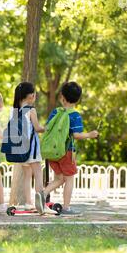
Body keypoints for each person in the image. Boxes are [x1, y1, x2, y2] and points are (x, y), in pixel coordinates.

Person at [39, 81, 99, 216]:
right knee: (69, 179)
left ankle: (43, 194)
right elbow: (76, 135)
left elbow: (47, 128)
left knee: (59, 179)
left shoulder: (56, 112)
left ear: (62, 96)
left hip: (52, 152)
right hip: (66, 152)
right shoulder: (75, 115)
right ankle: (66, 208)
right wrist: (90, 135)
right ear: (78, 99)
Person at [12, 82, 46, 210]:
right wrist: (47, 128)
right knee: (38, 173)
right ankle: (40, 204)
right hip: (32, 147)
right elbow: (37, 128)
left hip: (20, 149)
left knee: (27, 175)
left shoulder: (16, 111)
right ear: (31, 95)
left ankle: (28, 203)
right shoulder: (31, 110)